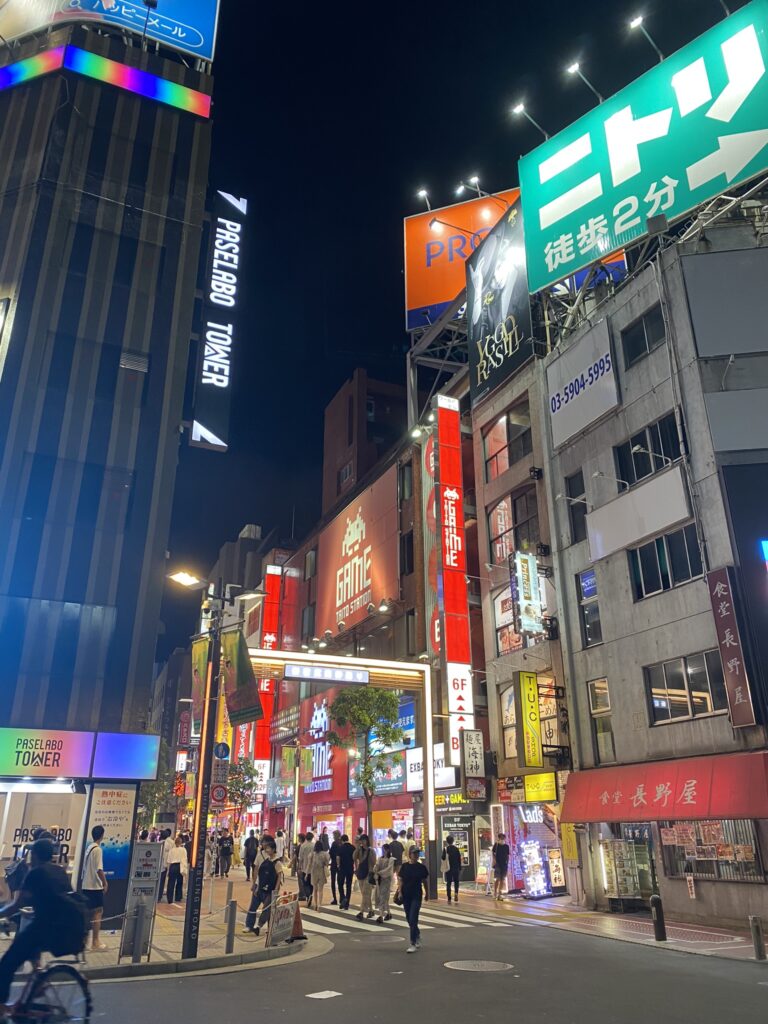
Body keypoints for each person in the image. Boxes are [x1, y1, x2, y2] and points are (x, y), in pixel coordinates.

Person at [0, 840, 87, 1009]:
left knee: (7, 963)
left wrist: (1, 913)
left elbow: (16, 905)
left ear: (36, 855)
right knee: (30, 953)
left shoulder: (35, 873)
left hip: (42, 929)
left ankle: (1, 1007)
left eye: (32, 853)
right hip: (60, 930)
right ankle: (38, 983)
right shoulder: (59, 871)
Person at [242, 839, 283, 937]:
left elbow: (279, 877)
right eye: (266, 847)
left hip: (271, 890)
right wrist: (256, 886)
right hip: (261, 887)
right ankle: (253, 926)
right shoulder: (265, 860)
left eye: (269, 848)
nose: (267, 849)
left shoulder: (277, 863)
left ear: (273, 849)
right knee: (255, 906)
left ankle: (260, 927)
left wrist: (276, 890)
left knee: (267, 909)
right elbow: (259, 873)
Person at [81, 824, 108, 951]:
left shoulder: (89, 848)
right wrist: (104, 882)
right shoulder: (97, 849)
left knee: (87, 913)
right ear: (102, 835)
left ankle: (85, 941)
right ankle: (95, 942)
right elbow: (99, 869)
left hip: (86, 885)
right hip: (94, 887)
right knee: (98, 913)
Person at [397, 846, 429, 953]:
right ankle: (417, 933)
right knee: (408, 918)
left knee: (413, 917)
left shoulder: (421, 868)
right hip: (406, 895)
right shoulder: (405, 867)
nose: (415, 855)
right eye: (414, 853)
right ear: (409, 854)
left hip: (416, 895)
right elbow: (401, 880)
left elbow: (424, 881)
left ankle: (412, 942)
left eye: (417, 853)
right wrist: (400, 892)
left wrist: (427, 893)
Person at [353, 834, 376, 920]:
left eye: (363, 840)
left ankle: (361, 912)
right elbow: (354, 857)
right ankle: (371, 910)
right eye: (361, 840)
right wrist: (357, 848)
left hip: (368, 874)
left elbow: (374, 862)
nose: (362, 842)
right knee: (364, 894)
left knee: (366, 893)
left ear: (367, 841)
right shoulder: (359, 850)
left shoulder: (371, 851)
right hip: (360, 873)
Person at [374, 843, 394, 923]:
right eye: (383, 849)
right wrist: (376, 869)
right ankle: (388, 913)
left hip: (387, 880)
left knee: (383, 896)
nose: (384, 851)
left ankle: (381, 915)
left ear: (388, 850)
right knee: (383, 897)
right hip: (380, 880)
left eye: (385, 849)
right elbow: (377, 865)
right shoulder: (380, 858)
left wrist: (379, 872)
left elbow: (389, 870)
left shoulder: (391, 859)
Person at [166, 835, 188, 904]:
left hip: (173, 866)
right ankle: (178, 897)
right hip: (180, 866)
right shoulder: (183, 850)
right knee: (179, 882)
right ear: (181, 843)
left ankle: (169, 898)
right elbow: (185, 859)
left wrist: (168, 870)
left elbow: (168, 861)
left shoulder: (171, 850)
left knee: (171, 883)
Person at [308, 840, 330, 911]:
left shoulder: (312, 854)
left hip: (314, 872)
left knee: (315, 889)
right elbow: (327, 863)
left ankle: (315, 904)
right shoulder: (325, 854)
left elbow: (309, 864)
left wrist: (306, 874)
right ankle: (319, 905)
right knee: (321, 890)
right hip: (321, 872)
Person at [336, 834, 355, 910]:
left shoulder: (340, 848)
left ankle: (343, 898)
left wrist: (338, 865)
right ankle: (347, 903)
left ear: (342, 840)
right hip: (350, 868)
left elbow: (338, 858)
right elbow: (355, 858)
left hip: (342, 868)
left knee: (340, 884)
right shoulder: (353, 848)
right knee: (349, 885)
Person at [492, 832, 510, 902]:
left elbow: (508, 855)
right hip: (498, 864)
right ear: (499, 838)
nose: (502, 840)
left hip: (504, 865)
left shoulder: (506, 846)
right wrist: (494, 860)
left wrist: (507, 863)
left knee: (503, 879)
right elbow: (493, 853)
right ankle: (495, 893)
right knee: (497, 879)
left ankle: (500, 893)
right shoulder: (496, 845)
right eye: (501, 838)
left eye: (503, 838)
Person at [443, 835, 462, 903]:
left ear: (447, 841)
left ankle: (449, 897)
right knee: (456, 881)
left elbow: (443, 858)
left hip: (448, 868)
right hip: (456, 868)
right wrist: (459, 867)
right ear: (453, 841)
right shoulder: (456, 849)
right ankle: (456, 893)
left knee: (449, 882)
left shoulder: (446, 849)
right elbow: (459, 859)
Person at [298, 832, 315, 905]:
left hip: (305, 868)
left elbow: (300, 858)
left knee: (305, 883)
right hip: (313, 868)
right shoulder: (314, 846)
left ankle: (308, 895)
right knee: (311, 884)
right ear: (312, 838)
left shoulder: (303, 846)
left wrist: (299, 867)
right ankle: (310, 894)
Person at [157, 828, 174, 900]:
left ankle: (158, 895)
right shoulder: (171, 842)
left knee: (159, 880)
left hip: (160, 864)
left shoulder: (159, 844)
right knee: (163, 880)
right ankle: (160, 895)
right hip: (168, 863)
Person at [328, 830, 342, 905]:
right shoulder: (341, 843)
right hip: (340, 865)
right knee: (340, 881)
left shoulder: (334, 843)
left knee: (333, 882)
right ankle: (341, 898)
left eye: (333, 835)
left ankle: (335, 899)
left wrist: (327, 862)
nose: (333, 837)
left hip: (334, 864)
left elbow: (330, 854)